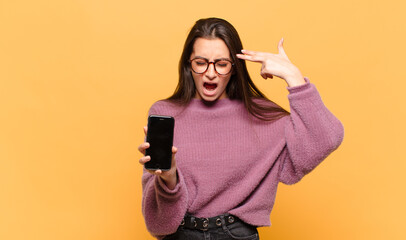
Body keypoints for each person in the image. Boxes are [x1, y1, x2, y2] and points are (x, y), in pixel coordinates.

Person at [138, 17, 344, 240]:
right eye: (201, 62)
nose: (210, 72)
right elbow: (158, 225)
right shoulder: (165, 113)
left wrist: (293, 77)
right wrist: (169, 180)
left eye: (221, 63)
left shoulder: (263, 116)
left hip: (236, 234)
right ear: (189, 64)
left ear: (235, 68)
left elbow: (327, 138)